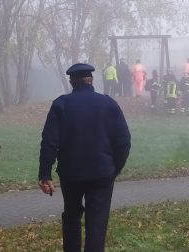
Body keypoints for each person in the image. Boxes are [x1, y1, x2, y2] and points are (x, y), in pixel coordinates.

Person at [38, 63, 131, 252]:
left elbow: (49, 141)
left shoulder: (61, 105)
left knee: (71, 216)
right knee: (97, 223)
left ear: (72, 82)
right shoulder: (108, 104)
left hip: (71, 174)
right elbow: (124, 141)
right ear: (91, 80)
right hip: (102, 174)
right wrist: (115, 168)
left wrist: (45, 173)